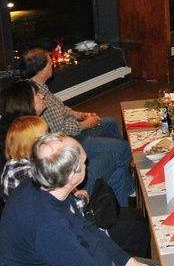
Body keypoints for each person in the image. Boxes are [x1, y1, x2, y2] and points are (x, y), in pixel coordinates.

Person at [0, 116, 151, 258]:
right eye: (46, 135)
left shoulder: (19, 165)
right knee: (138, 231)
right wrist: (82, 198)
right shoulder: (29, 174)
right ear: (32, 144)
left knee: (134, 215)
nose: (53, 137)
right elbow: (62, 213)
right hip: (69, 233)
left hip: (68, 220)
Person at [20, 47, 134, 206]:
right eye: (50, 62)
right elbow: (63, 130)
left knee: (109, 123)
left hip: (72, 131)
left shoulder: (38, 86)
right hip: (71, 140)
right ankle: (129, 189)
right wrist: (86, 124)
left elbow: (61, 108)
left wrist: (80, 114)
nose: (52, 64)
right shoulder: (35, 95)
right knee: (123, 148)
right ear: (42, 68)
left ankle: (123, 174)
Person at [0, 80, 46, 171]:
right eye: (37, 94)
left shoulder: (26, 122)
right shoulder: (22, 132)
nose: (42, 96)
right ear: (26, 102)